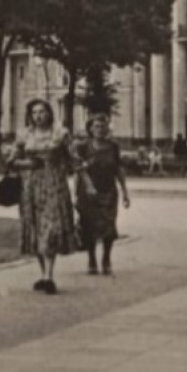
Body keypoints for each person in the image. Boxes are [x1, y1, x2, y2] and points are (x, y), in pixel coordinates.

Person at [9, 99, 78, 294]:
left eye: (42, 112)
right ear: (30, 115)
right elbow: (11, 161)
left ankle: (49, 276)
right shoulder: (24, 134)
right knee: (35, 229)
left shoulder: (60, 133)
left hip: (54, 185)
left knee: (51, 229)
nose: (38, 116)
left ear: (49, 113)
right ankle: (43, 274)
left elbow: (73, 158)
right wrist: (28, 164)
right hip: (30, 186)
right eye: (34, 112)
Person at [73, 112, 131, 276]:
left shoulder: (113, 146)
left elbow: (118, 169)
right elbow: (78, 171)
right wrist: (76, 194)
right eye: (96, 126)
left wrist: (125, 192)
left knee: (109, 227)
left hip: (108, 191)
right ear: (90, 128)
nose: (100, 129)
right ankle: (91, 260)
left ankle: (106, 258)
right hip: (88, 192)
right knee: (88, 226)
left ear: (107, 128)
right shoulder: (83, 147)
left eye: (103, 126)